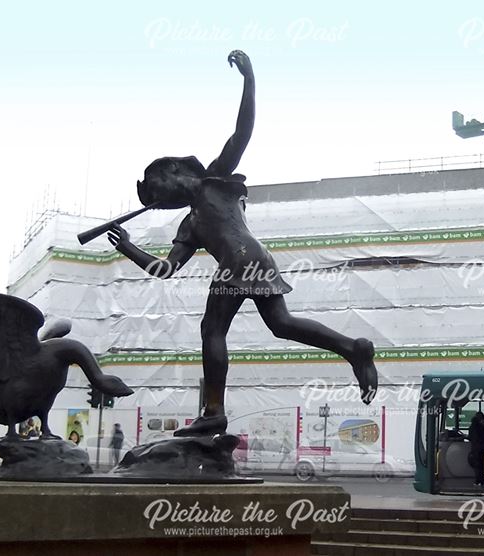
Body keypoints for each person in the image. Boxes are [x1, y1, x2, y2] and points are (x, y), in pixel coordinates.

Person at [107, 50, 378, 437]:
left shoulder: (214, 179)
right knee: (281, 324)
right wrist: (128, 247)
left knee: (211, 330)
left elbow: (243, 131)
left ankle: (213, 410)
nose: (156, 201)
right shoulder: (192, 221)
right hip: (257, 258)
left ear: (172, 170)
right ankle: (353, 348)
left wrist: (249, 79)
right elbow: (165, 269)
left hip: (238, 260)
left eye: (155, 191)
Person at [467, 412, 484, 485]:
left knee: (477, 466)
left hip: (475, 449)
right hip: (483, 448)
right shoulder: (483, 427)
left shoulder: (472, 427)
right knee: (483, 465)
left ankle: (478, 481)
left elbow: (470, 437)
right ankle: (483, 480)